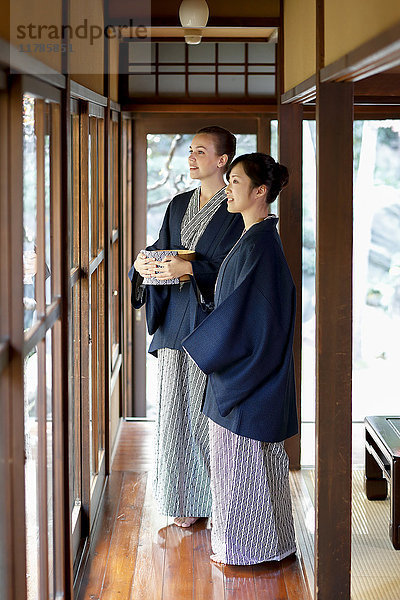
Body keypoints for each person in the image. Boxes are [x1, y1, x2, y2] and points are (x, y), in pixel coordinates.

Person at [182, 152, 298, 564]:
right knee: (247, 468)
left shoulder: (260, 245)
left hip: (249, 373)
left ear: (260, 191)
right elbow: (236, 308)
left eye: (235, 182)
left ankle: (251, 548)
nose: (228, 189)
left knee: (244, 467)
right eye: (228, 182)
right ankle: (266, 543)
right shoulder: (254, 239)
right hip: (246, 367)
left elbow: (251, 317)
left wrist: (211, 351)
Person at [128, 126, 243, 528]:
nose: (191, 158)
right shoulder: (179, 203)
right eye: (190, 151)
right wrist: (141, 265)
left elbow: (237, 270)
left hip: (211, 325)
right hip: (176, 321)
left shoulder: (236, 210)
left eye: (200, 151)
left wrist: (192, 268)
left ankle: (220, 501)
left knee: (205, 415)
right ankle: (185, 499)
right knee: (175, 414)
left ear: (222, 160)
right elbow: (162, 248)